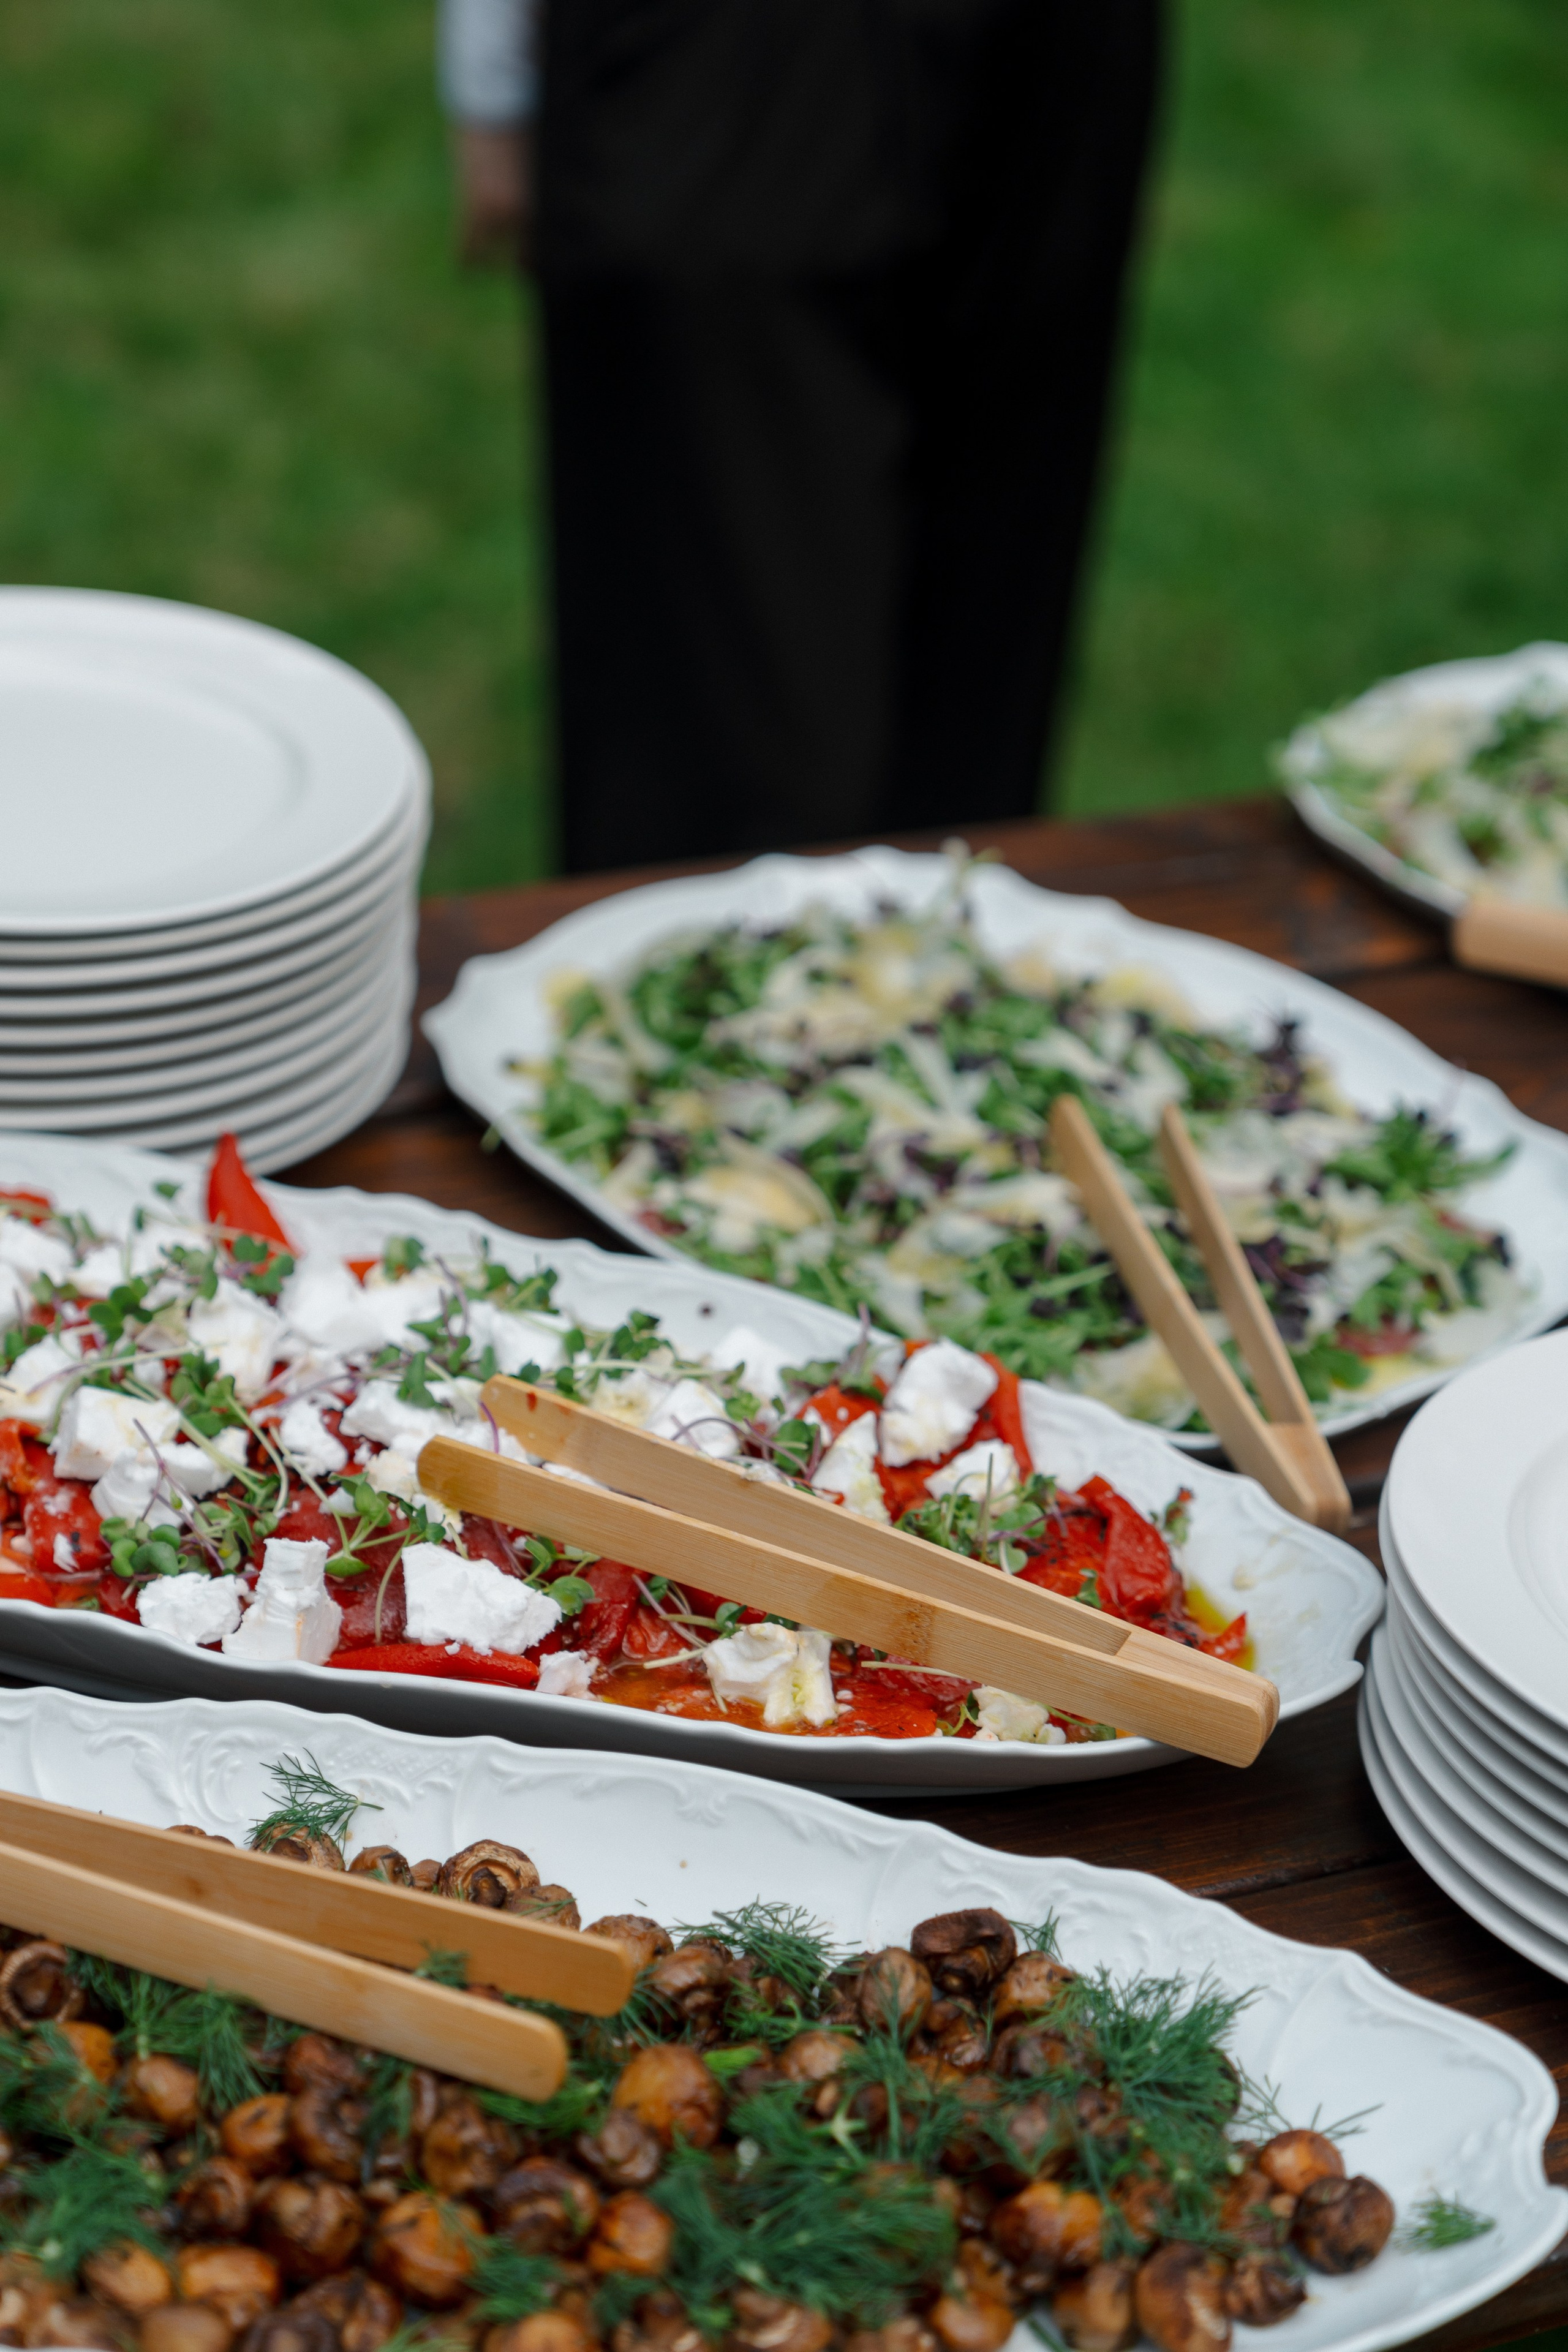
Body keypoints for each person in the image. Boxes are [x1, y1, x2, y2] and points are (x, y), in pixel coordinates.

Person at [441, 0, 1164, 873]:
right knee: (722, 783)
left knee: (973, 748)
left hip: (1054, 45)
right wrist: (489, 58)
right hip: (724, 57)